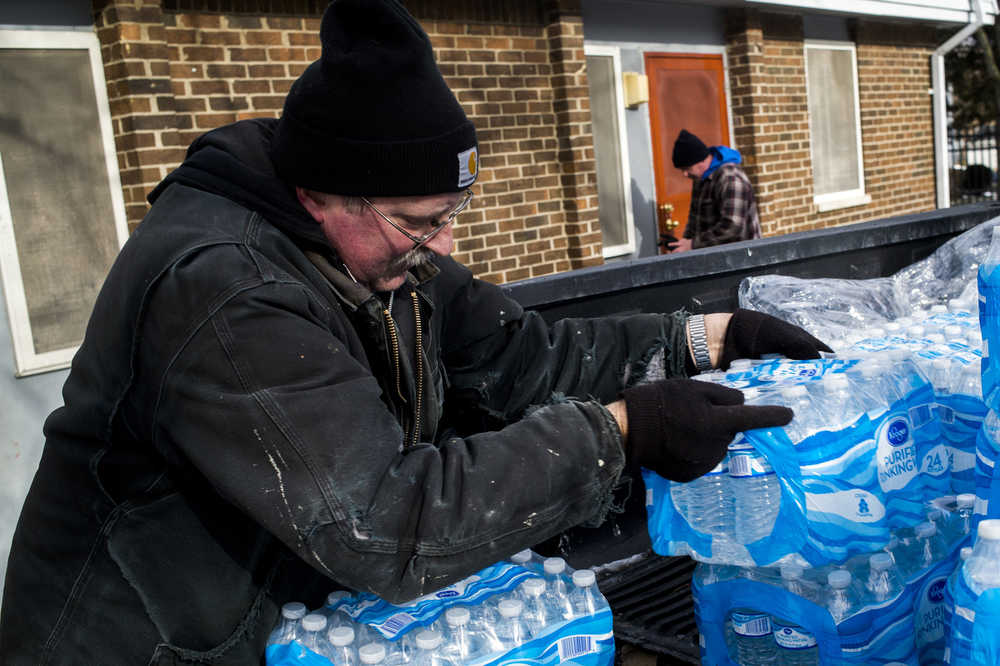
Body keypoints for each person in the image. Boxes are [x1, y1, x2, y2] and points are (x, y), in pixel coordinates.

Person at [0, 1, 830, 663]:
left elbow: (521, 356)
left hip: (284, 625)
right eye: (423, 224)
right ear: (326, 198)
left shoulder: (386, 252)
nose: (447, 247)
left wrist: (705, 336)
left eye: (452, 215)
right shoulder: (224, 294)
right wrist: (621, 433)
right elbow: (383, 520)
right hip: (149, 642)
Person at [668, 129, 761, 253]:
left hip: (742, 257)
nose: (685, 174)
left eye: (687, 168)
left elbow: (732, 227)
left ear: (701, 160)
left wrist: (693, 245)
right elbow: (694, 219)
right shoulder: (700, 178)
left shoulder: (730, 179)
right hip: (714, 256)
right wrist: (682, 244)